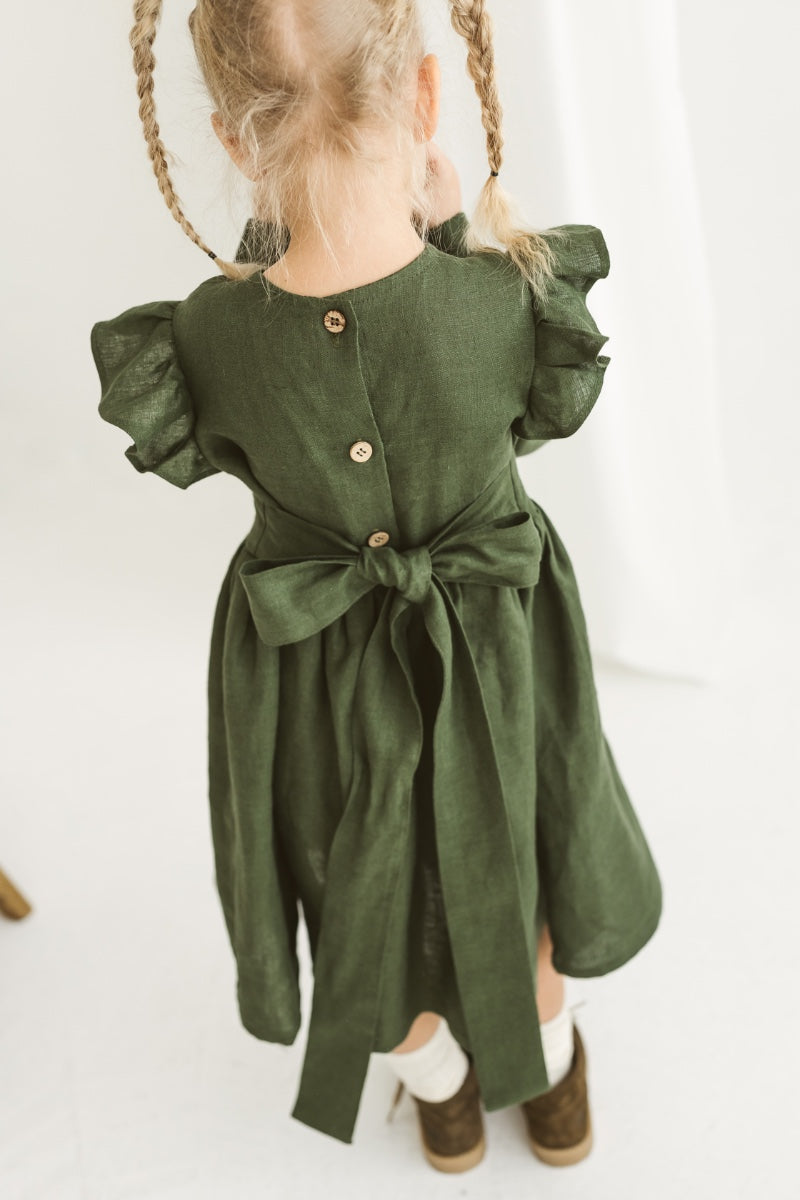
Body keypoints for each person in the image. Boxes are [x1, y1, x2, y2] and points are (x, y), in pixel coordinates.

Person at [90, 0, 663, 1174]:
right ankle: (550, 1095)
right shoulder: (501, 300)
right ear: (423, 96)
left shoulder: (202, 336)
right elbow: (530, 417)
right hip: (491, 648)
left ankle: (442, 1100)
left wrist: (280, 238)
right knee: (512, 850)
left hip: (309, 678)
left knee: (351, 876)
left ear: (233, 139)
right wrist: (445, 226)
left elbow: (230, 410)